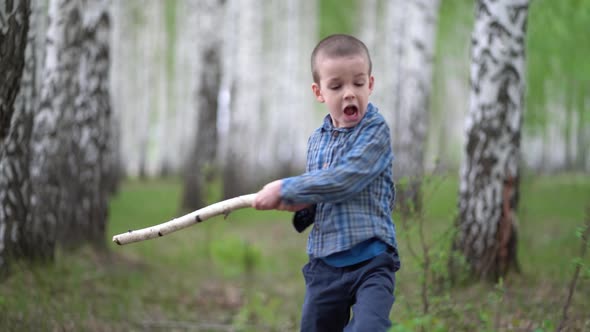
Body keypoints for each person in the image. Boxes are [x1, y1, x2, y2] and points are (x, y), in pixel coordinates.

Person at [253, 34, 400, 332]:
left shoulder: (375, 133)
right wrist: (299, 203)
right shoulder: (317, 139)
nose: (349, 93)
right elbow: (320, 189)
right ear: (319, 91)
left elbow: (344, 179)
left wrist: (286, 188)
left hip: (371, 263)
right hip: (325, 266)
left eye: (358, 83)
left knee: (368, 328)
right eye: (336, 86)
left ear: (370, 84)